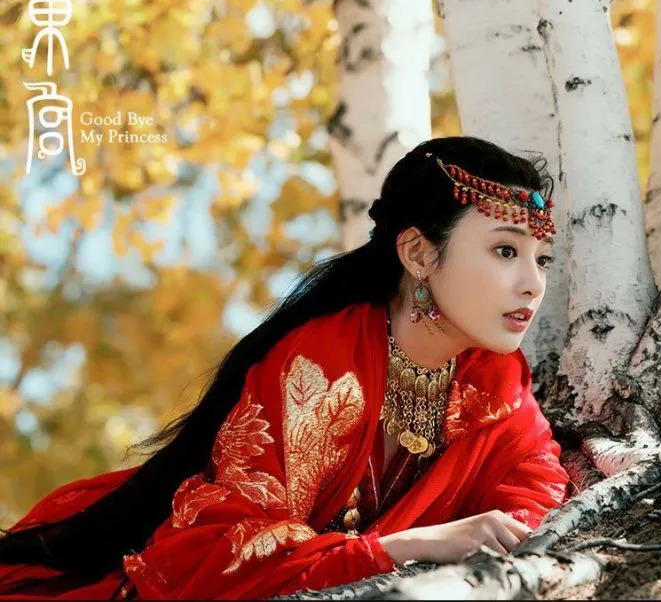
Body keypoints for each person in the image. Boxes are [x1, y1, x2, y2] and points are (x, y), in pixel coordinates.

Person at [0, 136, 569, 599]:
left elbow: (534, 479)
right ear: (418, 253)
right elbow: (227, 552)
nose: (533, 284)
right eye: (505, 251)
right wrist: (409, 546)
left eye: (542, 259)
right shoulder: (322, 368)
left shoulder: (494, 378)